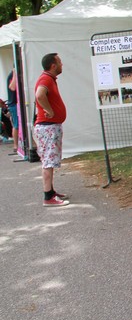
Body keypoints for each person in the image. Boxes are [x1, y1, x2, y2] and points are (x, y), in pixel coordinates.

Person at [34, 53, 69, 207]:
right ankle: (48, 196)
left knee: (50, 160)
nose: (62, 64)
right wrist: (49, 110)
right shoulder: (46, 79)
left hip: (50, 127)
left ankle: (51, 191)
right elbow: (39, 95)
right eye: (60, 62)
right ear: (53, 65)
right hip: (48, 127)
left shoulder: (49, 79)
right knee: (48, 161)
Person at [6, 69, 19, 153]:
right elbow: (12, 87)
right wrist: (15, 73)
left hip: (15, 104)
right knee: (16, 125)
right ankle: (16, 145)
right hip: (13, 104)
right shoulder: (12, 75)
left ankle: (17, 145)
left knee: (16, 125)